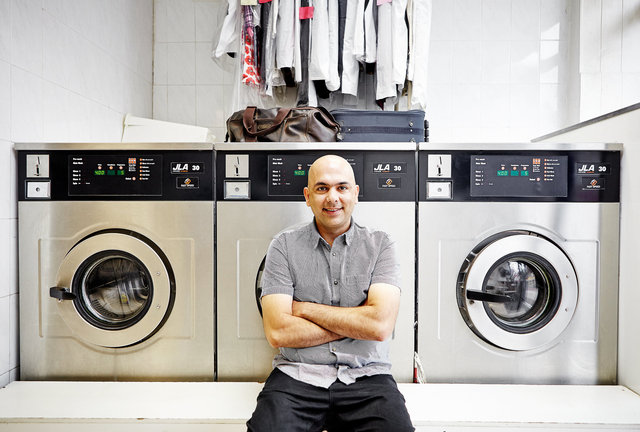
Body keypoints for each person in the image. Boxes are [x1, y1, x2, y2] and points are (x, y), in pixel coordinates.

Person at [246, 155, 414, 432]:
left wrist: (305, 309)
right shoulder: (283, 246)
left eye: (342, 187)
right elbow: (278, 333)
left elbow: (380, 326)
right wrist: (358, 322)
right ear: (308, 196)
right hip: (296, 376)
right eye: (322, 188)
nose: (332, 198)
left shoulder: (381, 244)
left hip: (368, 376)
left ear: (355, 194)